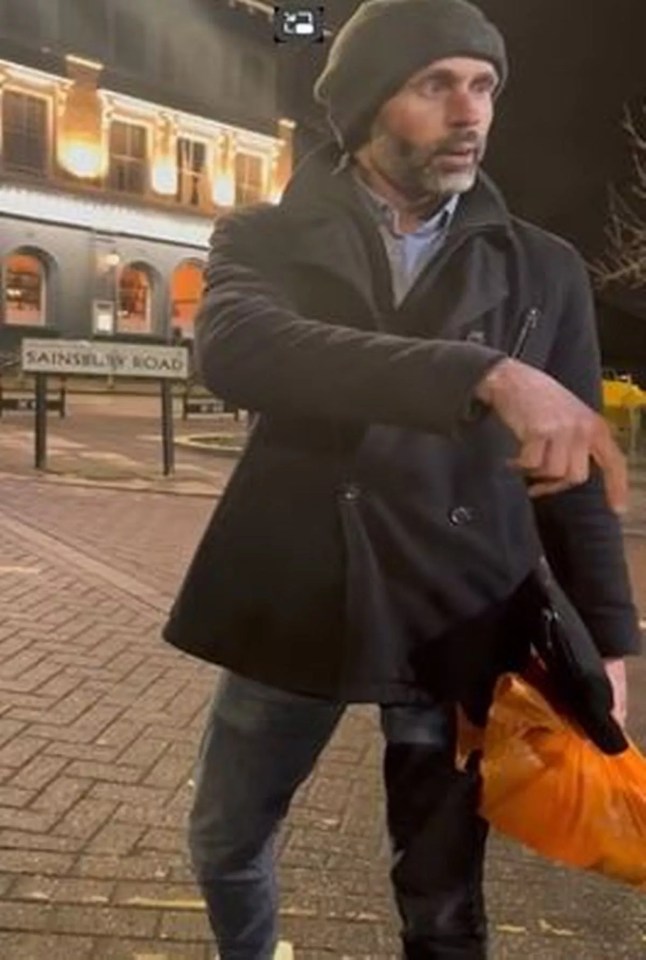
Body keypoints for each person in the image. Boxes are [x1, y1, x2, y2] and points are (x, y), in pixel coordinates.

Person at [163, 1, 641, 957]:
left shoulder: (542, 267)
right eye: (436, 85)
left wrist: (614, 646)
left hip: (457, 610)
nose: (471, 112)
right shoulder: (265, 237)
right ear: (367, 105)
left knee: (441, 895)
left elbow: (577, 481)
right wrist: (484, 375)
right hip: (296, 592)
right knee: (225, 841)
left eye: (485, 86)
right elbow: (242, 349)